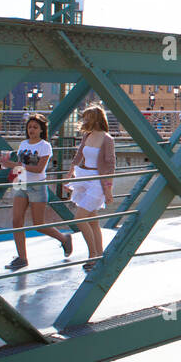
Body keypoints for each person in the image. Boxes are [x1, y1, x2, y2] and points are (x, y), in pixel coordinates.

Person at [0, 114, 73, 271]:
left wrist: (13, 164)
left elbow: (39, 168)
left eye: (35, 127)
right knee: (16, 221)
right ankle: (22, 258)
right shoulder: (23, 144)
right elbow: (20, 165)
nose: (31, 130)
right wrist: (9, 167)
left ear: (41, 130)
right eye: (29, 127)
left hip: (37, 186)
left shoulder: (44, 146)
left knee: (38, 225)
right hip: (21, 182)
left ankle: (64, 238)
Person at [66, 104, 116, 272]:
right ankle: (99, 254)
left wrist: (108, 190)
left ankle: (92, 255)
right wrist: (71, 170)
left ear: (96, 119)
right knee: (93, 221)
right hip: (83, 178)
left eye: (88, 117)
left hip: (97, 182)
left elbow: (110, 166)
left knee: (79, 218)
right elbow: (79, 154)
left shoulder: (107, 139)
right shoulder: (87, 136)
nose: (85, 120)